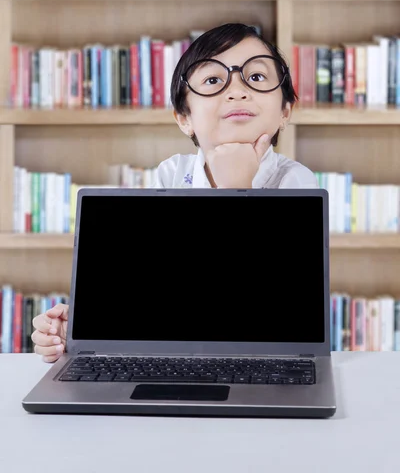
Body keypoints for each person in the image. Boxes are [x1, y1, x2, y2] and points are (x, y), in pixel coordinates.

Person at [31, 22, 318, 362]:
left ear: (285, 111)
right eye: (213, 80)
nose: (237, 91)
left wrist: (235, 188)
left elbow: (262, 306)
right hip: (184, 356)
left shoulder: (296, 183)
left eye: (256, 78)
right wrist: (82, 332)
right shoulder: (171, 175)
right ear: (184, 118)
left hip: (266, 360)